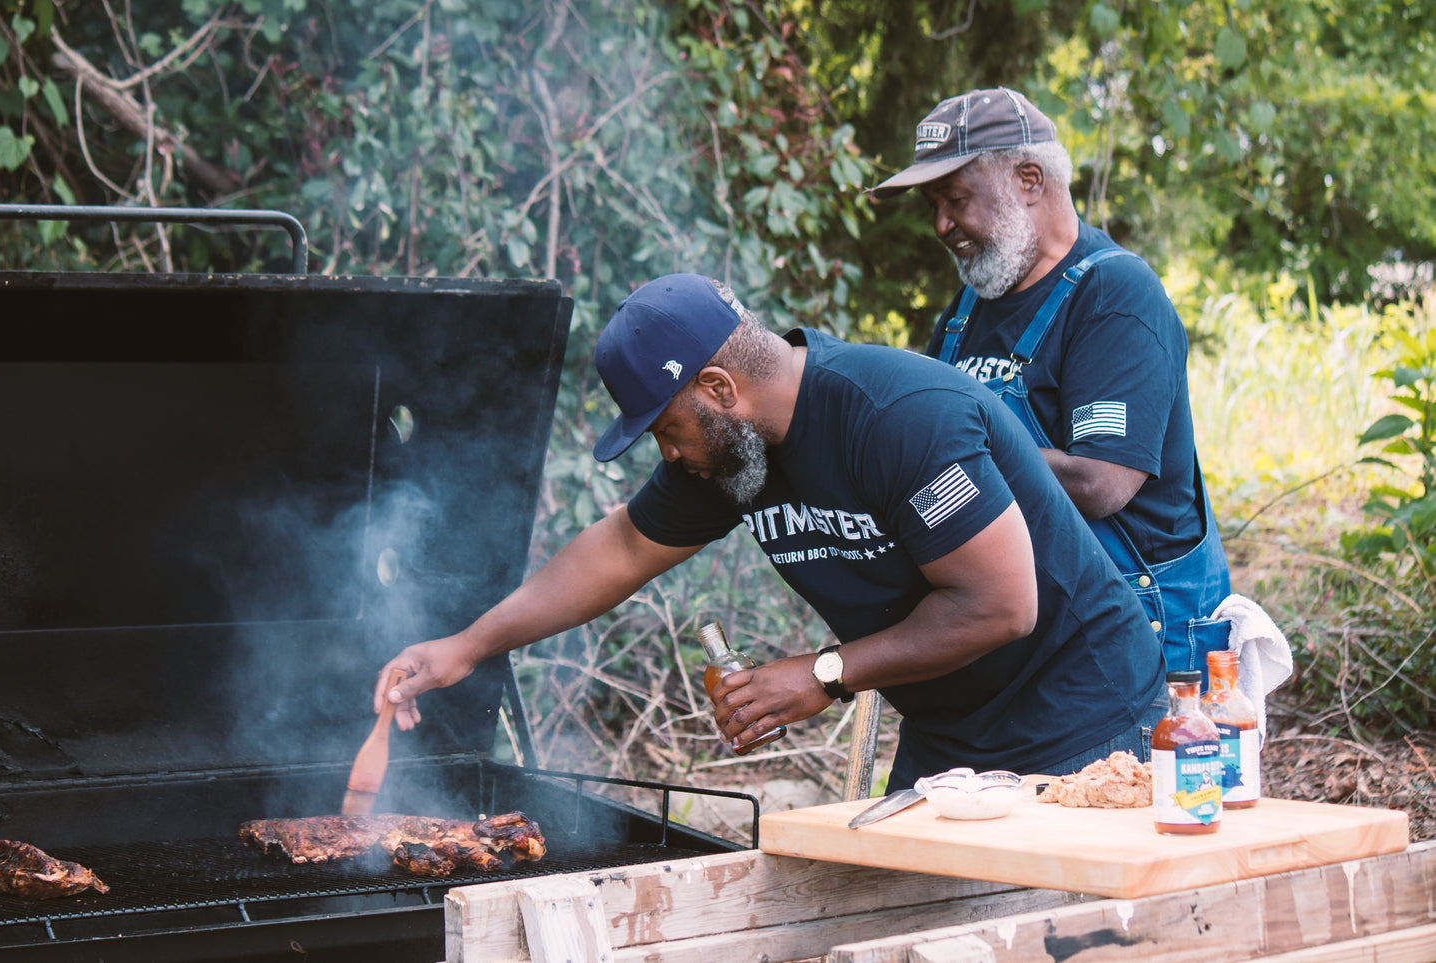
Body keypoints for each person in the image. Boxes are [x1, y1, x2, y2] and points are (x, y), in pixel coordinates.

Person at [372, 273, 1164, 791]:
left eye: (666, 429)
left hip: (1080, 708)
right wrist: (469, 645)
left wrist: (820, 673)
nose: (669, 452)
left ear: (718, 388)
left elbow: (1000, 606)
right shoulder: (732, 457)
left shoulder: (895, 417)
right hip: (953, 729)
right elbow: (618, 549)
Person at [869, 87, 1232, 678]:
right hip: (1044, 627)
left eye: (957, 199)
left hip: (1144, 637)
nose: (941, 224)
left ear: (1030, 180)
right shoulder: (967, 310)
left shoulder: (1114, 295)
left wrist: (944, 471)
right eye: (934, 204)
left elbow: (1100, 483)